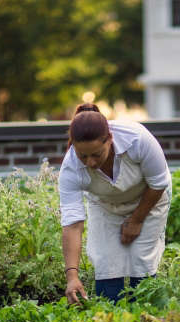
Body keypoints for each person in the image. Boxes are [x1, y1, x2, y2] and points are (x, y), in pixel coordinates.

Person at [59, 103, 172, 304]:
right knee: (106, 262)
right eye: (83, 155)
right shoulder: (70, 169)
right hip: (105, 205)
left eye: (96, 154)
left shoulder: (137, 139)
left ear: (109, 140)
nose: (90, 163)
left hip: (149, 198)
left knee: (141, 260)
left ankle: (149, 318)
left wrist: (136, 220)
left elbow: (158, 183)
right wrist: (72, 277)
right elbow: (73, 224)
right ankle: (110, 321)